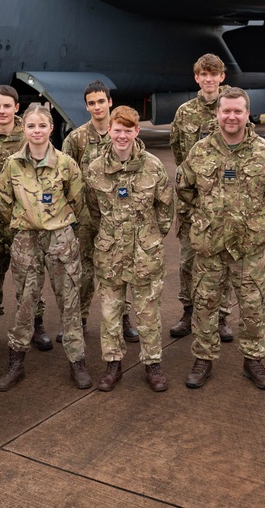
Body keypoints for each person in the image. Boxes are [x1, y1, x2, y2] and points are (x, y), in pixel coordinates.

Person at [176, 87, 265, 390]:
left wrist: (252, 216)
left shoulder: (263, 150)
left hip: (248, 247)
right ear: (217, 113)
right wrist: (205, 215)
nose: (231, 116)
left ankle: (253, 359)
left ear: (247, 113)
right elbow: (184, 187)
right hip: (210, 244)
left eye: (238, 111)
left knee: (252, 306)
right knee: (205, 304)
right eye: (226, 110)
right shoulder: (200, 151)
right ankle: (203, 358)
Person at [0, 103, 92, 391]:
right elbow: (2, 201)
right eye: (31, 126)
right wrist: (21, 220)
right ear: (23, 129)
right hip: (26, 239)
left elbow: (78, 201)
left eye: (42, 126)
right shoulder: (12, 164)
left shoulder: (65, 163)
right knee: (25, 302)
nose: (36, 131)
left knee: (69, 301)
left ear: (51, 128)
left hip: (60, 238)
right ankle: (16, 361)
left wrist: (64, 227)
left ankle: (77, 361)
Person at [85, 106, 175, 391]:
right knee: (110, 313)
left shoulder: (153, 165)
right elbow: (93, 211)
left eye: (127, 130)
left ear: (137, 131)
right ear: (109, 130)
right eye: (117, 129)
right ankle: (113, 364)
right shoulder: (96, 168)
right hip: (110, 253)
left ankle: (152, 364)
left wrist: (150, 238)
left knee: (148, 313)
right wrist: (107, 237)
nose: (121, 135)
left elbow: (165, 209)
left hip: (144, 254)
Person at [0, 85, 50, 351]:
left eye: (7, 106)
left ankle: (36, 324)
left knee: (29, 278)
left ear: (16, 107)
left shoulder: (29, 134)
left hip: (24, 224)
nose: (1, 111)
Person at [62, 80, 139, 343]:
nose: (97, 107)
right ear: (86, 106)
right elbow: (65, 177)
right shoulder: (76, 138)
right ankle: (79, 319)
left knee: (120, 269)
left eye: (101, 101)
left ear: (110, 102)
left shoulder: (122, 132)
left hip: (116, 217)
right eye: (91, 103)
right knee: (82, 272)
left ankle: (123, 317)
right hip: (85, 217)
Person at [169, 53, 236, 342]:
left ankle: (220, 316)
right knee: (187, 261)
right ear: (197, 78)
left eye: (214, 74)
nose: (209, 79)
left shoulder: (231, 108)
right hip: (192, 201)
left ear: (222, 77)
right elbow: (177, 151)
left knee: (223, 261)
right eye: (203, 74)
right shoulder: (184, 112)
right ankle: (188, 311)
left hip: (224, 203)